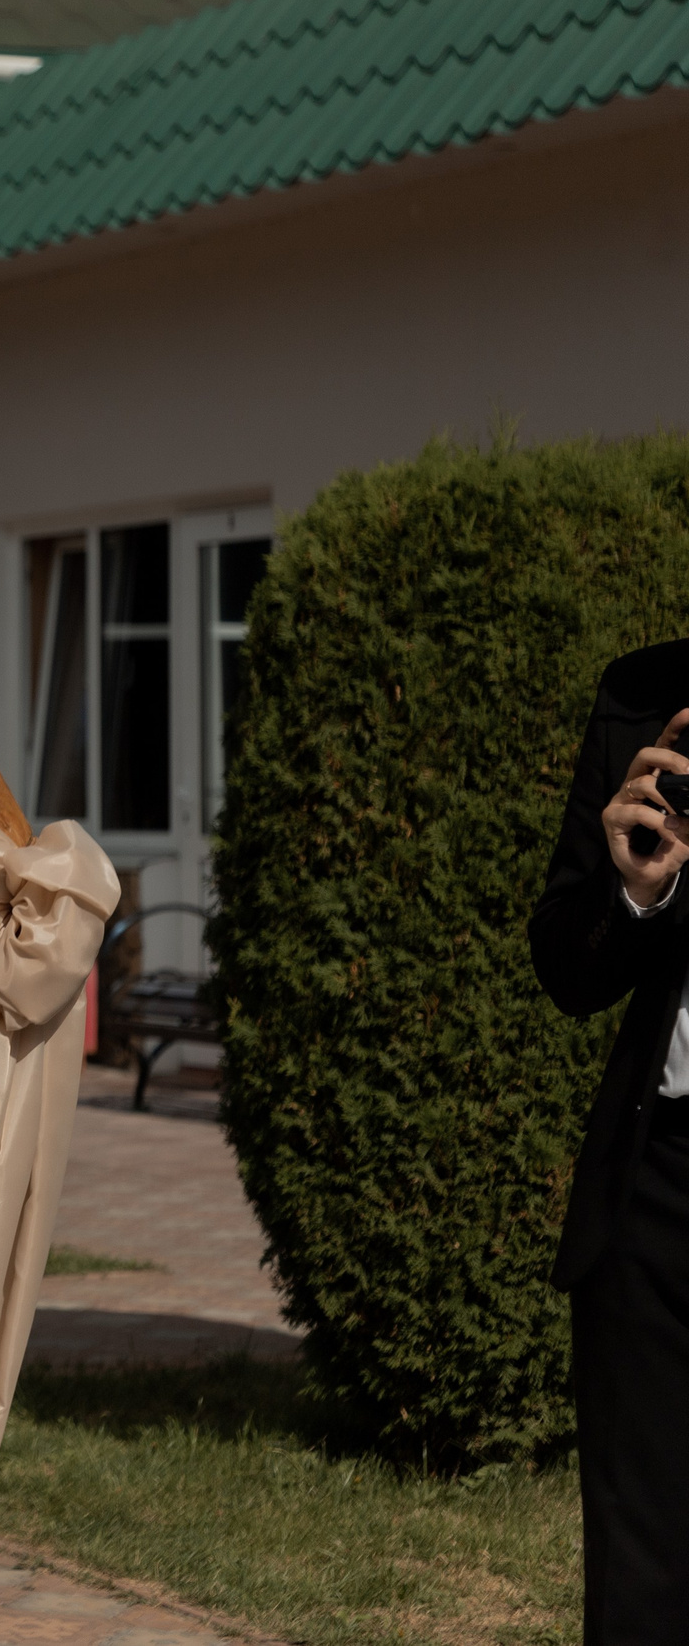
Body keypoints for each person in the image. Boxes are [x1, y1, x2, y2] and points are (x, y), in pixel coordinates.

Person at [530, 645, 689, 1644]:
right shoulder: (641, 699)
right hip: (658, 1189)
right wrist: (635, 893)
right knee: (641, 1581)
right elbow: (566, 962)